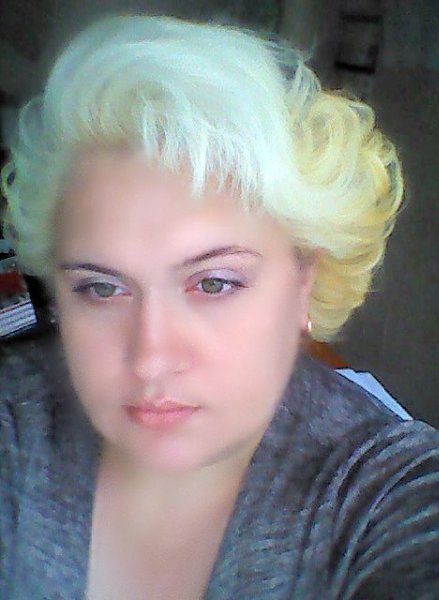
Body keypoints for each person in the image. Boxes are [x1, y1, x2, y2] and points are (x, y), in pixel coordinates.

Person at [1, 14, 438, 600]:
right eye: (102, 288)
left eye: (213, 283)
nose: (152, 358)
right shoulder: (16, 425)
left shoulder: (381, 491)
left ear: (305, 280)